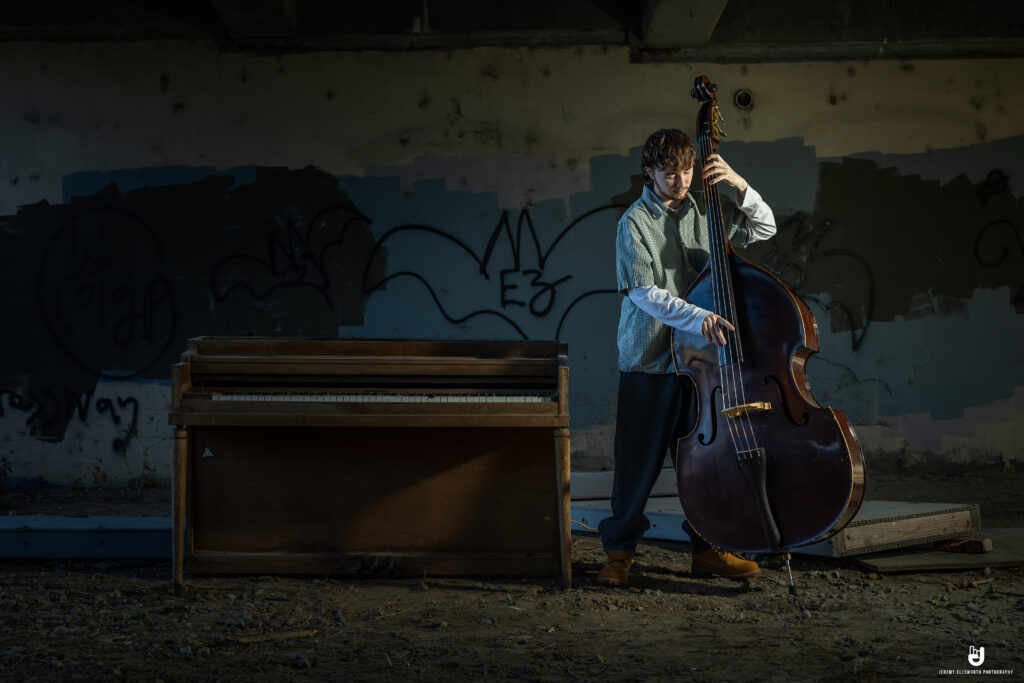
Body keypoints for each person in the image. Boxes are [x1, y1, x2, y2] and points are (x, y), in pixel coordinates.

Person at [597, 128, 777, 586]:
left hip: (700, 367)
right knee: (637, 462)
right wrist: (700, 317)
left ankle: (709, 549)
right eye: (669, 173)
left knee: (703, 463)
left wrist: (738, 184)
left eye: (686, 171)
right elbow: (645, 293)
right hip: (651, 361)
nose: (680, 181)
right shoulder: (633, 223)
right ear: (649, 172)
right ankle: (618, 554)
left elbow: (765, 227)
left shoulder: (708, 215)